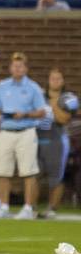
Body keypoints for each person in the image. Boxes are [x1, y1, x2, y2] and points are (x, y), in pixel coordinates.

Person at [0, 53, 46, 219]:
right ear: (10, 68)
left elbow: (42, 111)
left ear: (26, 68)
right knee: (2, 171)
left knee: (28, 171)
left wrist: (26, 114)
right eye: (15, 66)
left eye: (20, 66)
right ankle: (4, 206)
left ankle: (28, 208)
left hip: (26, 132)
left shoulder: (33, 87)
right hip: (6, 131)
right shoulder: (2, 86)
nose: (17, 69)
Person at [37, 68, 78, 217]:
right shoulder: (39, 95)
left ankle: (52, 208)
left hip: (56, 141)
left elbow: (63, 119)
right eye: (52, 78)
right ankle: (31, 209)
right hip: (37, 139)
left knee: (56, 176)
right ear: (48, 80)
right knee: (34, 174)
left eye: (58, 78)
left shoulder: (68, 98)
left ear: (63, 81)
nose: (55, 81)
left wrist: (52, 105)